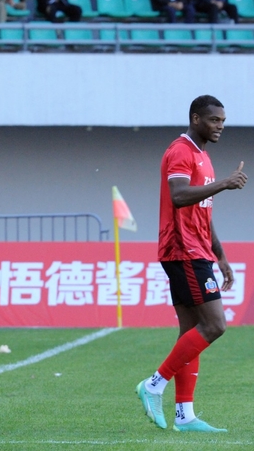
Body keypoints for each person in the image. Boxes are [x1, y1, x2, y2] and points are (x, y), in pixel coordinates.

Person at [136, 95, 247, 433]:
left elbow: (203, 212)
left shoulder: (203, 156)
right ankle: (154, 384)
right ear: (196, 118)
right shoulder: (180, 151)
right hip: (182, 249)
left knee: (192, 332)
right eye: (214, 120)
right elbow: (179, 196)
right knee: (215, 325)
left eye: (223, 121)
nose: (220, 126)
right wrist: (225, 183)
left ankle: (185, 416)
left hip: (197, 250)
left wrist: (220, 256)